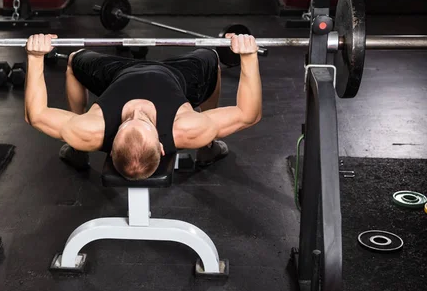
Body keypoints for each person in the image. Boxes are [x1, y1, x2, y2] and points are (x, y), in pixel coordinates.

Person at [24, 32, 261, 180]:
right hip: (178, 76)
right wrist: (248, 56)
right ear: (161, 146)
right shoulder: (187, 128)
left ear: (109, 144)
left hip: (118, 74)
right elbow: (248, 115)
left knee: (75, 59)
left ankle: (78, 150)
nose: (137, 111)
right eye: (144, 122)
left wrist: (35, 57)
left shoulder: (90, 130)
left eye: (126, 123)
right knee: (211, 56)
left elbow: (35, 115)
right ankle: (208, 147)